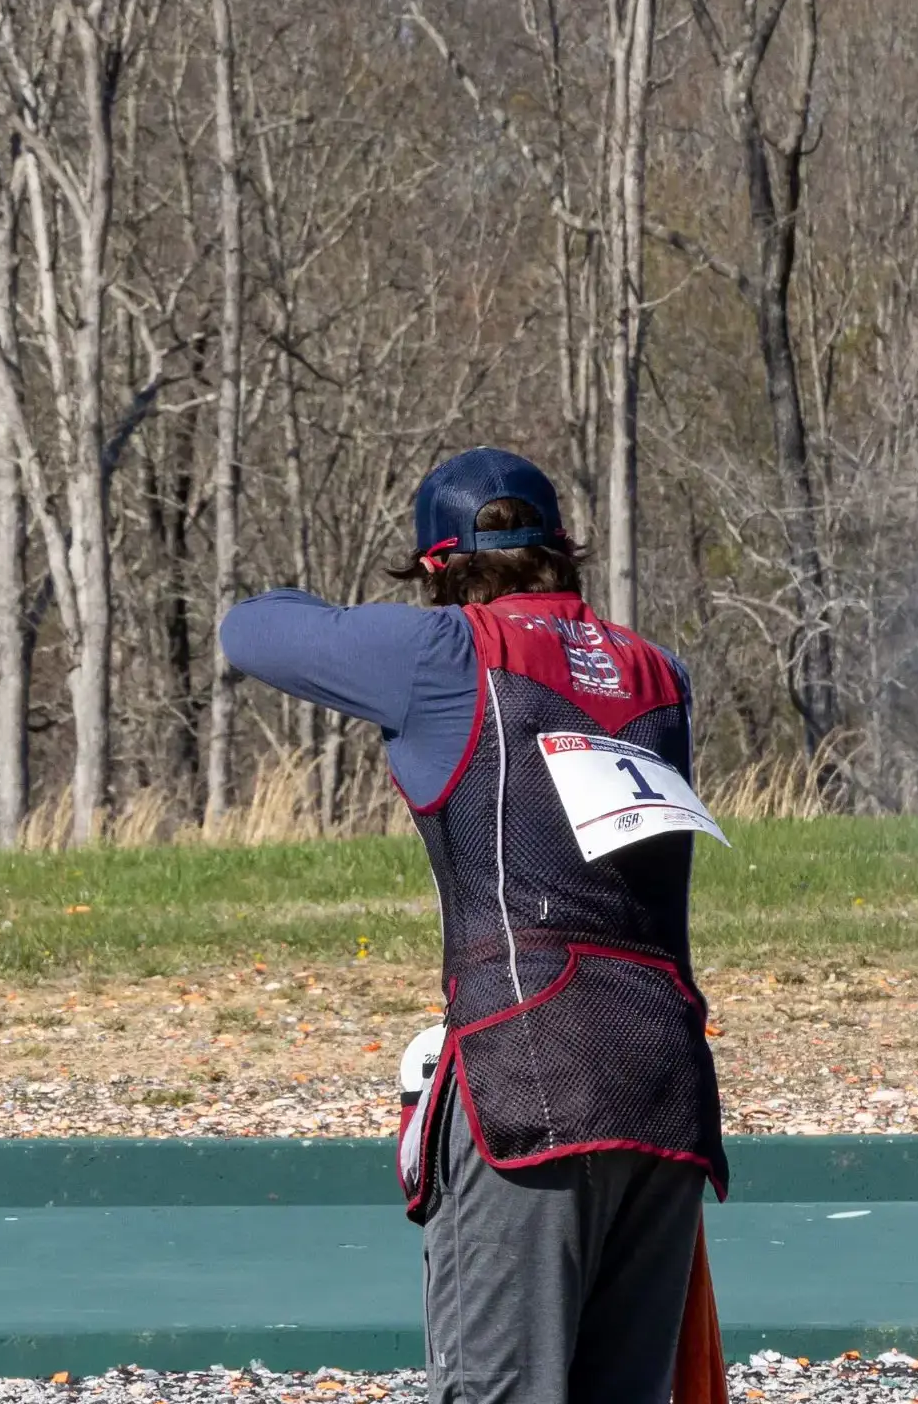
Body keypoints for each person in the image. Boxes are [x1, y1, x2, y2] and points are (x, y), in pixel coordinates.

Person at [220, 446, 725, 1404]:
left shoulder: (449, 652)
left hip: (528, 1071)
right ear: (564, 554)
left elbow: (252, 631)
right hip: (665, 1083)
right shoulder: (661, 673)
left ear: (441, 571)